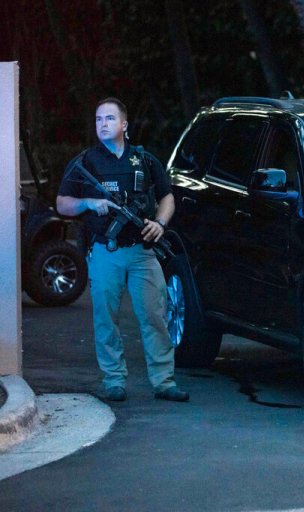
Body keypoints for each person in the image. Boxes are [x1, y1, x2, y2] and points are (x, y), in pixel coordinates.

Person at [57, 97, 189, 402]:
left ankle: (164, 380)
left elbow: (168, 197)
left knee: (155, 316)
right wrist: (89, 203)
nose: (103, 124)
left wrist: (160, 223)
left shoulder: (143, 160)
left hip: (142, 250)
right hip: (105, 250)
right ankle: (113, 380)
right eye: (98, 119)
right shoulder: (85, 162)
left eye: (109, 119)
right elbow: (63, 203)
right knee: (106, 318)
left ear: (124, 125)